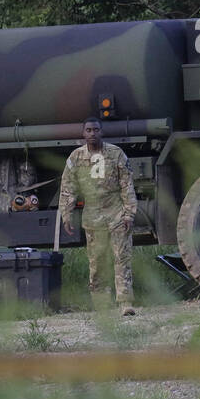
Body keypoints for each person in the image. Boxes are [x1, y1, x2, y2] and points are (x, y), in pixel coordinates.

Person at [59, 118, 138, 316]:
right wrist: (66, 215)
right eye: (88, 130)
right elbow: (68, 187)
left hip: (116, 212)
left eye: (96, 129)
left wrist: (129, 213)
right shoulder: (76, 157)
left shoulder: (116, 153)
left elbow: (127, 185)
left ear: (101, 132)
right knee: (97, 262)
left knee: (122, 257)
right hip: (92, 216)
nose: (92, 133)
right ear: (83, 134)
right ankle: (102, 305)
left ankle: (125, 302)